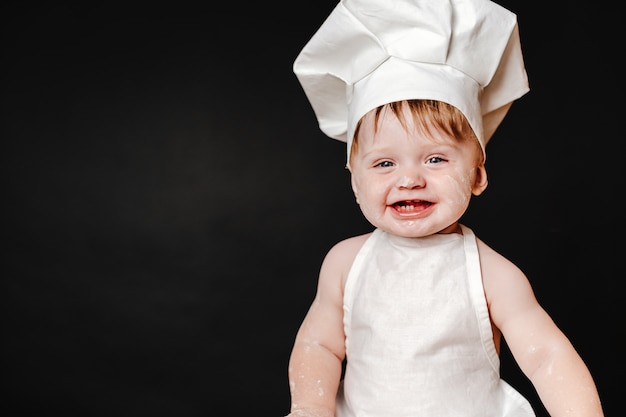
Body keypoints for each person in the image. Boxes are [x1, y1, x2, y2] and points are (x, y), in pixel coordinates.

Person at [284, 0, 604, 416]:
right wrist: (311, 408)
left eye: (435, 159)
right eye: (384, 163)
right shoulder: (345, 263)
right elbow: (319, 344)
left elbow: (546, 355)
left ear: (476, 175)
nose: (409, 179)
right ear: (355, 184)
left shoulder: (491, 272)